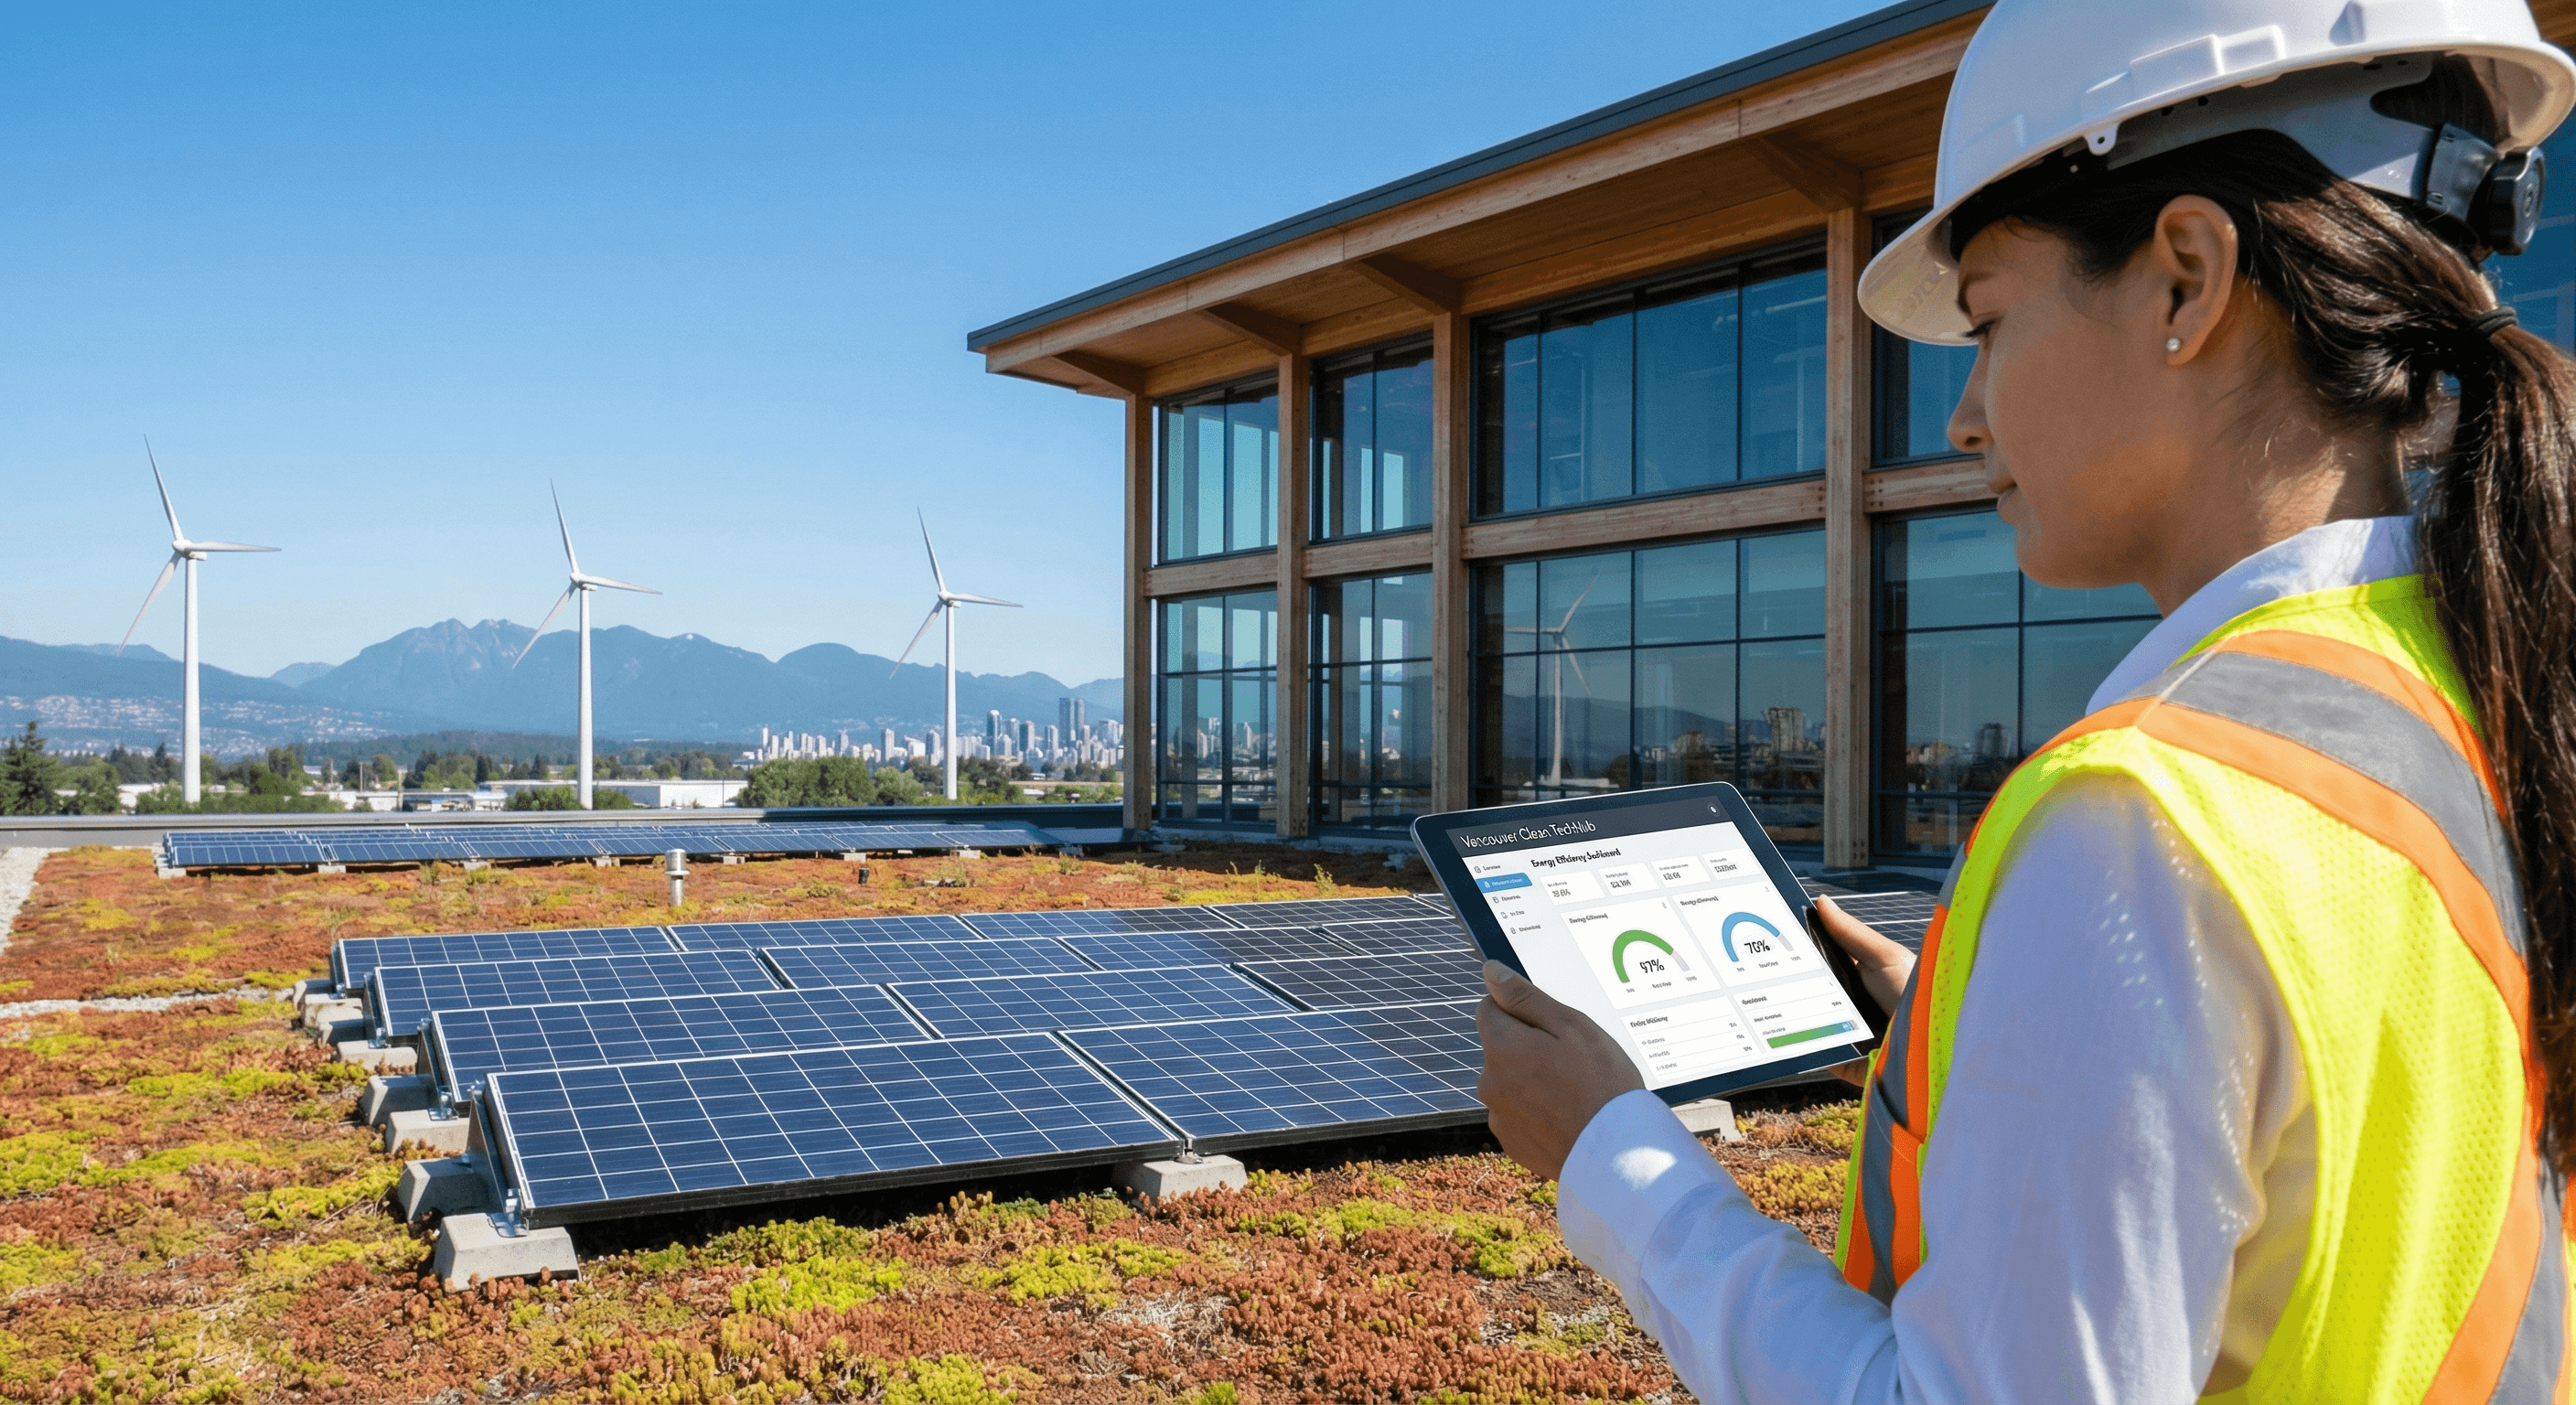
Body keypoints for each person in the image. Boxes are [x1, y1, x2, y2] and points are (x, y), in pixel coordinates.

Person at [1474, 2, 2576, 1399]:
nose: (1964, 415)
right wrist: (1985, 1026)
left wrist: (1615, 1159)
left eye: (1990, 322)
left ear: (2186, 279)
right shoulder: (2490, 703)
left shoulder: (2148, 819)